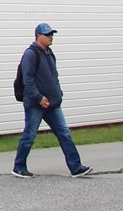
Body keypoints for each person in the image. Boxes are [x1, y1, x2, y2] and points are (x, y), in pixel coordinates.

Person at [12, 22, 93, 178]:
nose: (51, 37)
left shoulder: (50, 53)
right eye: (47, 35)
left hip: (53, 103)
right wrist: (38, 98)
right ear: (38, 36)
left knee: (64, 133)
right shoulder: (30, 54)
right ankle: (19, 166)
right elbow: (27, 81)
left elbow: (53, 76)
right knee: (29, 135)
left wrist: (58, 94)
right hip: (36, 104)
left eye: (52, 34)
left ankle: (76, 167)